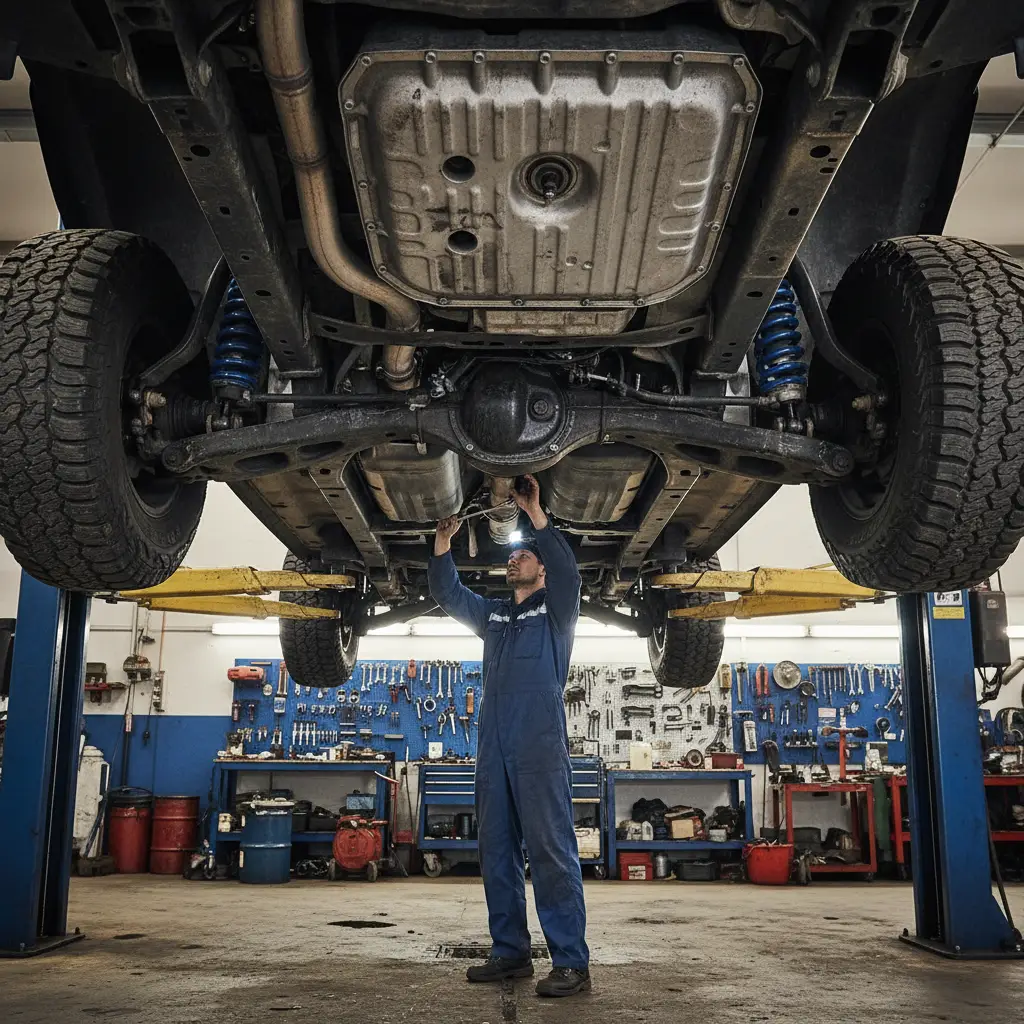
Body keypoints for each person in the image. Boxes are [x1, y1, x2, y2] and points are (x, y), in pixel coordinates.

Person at [428, 474, 591, 998]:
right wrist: (442, 546)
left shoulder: (557, 611)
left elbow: (567, 569)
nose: (512, 560)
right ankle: (511, 952)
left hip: (540, 746)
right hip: (493, 747)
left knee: (550, 850)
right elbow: (449, 593)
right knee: (496, 849)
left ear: (540, 566)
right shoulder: (494, 614)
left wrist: (535, 516)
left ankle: (571, 961)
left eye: (523, 556)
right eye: (511, 556)